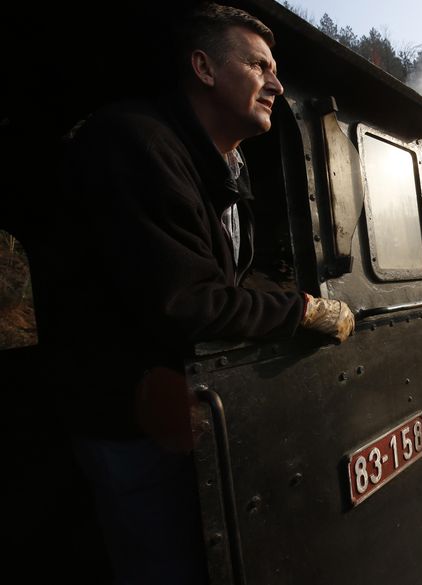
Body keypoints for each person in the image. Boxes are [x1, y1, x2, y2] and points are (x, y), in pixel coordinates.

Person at [42, 3, 354, 584]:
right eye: (259, 66)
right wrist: (300, 311)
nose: (276, 84)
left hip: (181, 413)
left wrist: (303, 296)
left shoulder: (221, 166)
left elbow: (230, 279)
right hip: (133, 423)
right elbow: (188, 299)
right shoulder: (136, 143)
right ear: (204, 67)